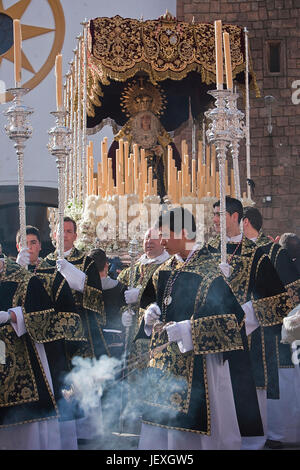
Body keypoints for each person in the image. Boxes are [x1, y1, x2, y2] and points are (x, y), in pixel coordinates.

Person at [136, 207, 263, 450]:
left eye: (165, 234)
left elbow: (230, 324)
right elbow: (148, 306)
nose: (160, 240)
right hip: (163, 364)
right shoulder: (162, 271)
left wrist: (186, 330)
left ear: (184, 232)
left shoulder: (212, 270)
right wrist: (148, 313)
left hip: (202, 364)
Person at [207, 196, 293, 450]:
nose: (214, 220)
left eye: (219, 214)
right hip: (214, 337)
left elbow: (278, 300)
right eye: (213, 215)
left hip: (250, 337)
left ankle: (252, 444)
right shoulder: (206, 252)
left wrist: (246, 315)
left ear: (236, 217)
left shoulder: (258, 255)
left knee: (248, 393)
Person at [16, 225, 87, 450]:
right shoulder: (9, 274)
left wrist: (46, 328)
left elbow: (69, 314)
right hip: (18, 350)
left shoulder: (54, 274)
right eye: (25, 243)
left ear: (41, 245)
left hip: (48, 349)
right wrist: (17, 272)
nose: (30, 247)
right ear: (18, 247)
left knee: (53, 398)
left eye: (34, 242)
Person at [45, 216, 106, 444]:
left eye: (69, 231)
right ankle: (62, 434)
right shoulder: (45, 263)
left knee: (83, 382)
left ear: (76, 235)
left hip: (81, 333)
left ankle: (87, 434)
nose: (64, 235)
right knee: (60, 382)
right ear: (53, 235)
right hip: (55, 334)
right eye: (60, 231)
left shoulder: (87, 262)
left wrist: (80, 281)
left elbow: (98, 300)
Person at [242, 208, 300, 448]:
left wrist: (264, 309)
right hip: (246, 331)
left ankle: (280, 433)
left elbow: (293, 291)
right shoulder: (236, 252)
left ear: (244, 222)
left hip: (273, 333)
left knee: (277, 382)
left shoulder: (274, 252)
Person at [0, 256, 66, 449]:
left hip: (21, 359)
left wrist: (12, 315)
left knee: (26, 430)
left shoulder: (25, 279)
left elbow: (45, 316)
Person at [116, 227, 170, 433]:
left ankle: (154, 424)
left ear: (163, 241)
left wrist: (140, 297)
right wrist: (124, 314)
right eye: (147, 237)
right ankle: (134, 424)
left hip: (157, 337)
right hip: (133, 339)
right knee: (133, 381)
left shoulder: (168, 267)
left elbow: (167, 299)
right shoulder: (133, 270)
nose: (149, 241)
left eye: (154, 238)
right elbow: (119, 299)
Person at [108, 78, 181, 198]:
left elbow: (171, 154)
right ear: (138, 120)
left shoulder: (158, 133)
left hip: (155, 170)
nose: (146, 120)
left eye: (148, 118)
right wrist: (134, 152)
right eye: (143, 118)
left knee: (156, 192)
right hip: (135, 172)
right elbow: (116, 153)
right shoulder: (129, 133)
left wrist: (162, 152)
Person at [88, 247, 127, 359]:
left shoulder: (84, 288)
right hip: (115, 338)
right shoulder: (120, 287)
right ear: (106, 265)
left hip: (92, 337)